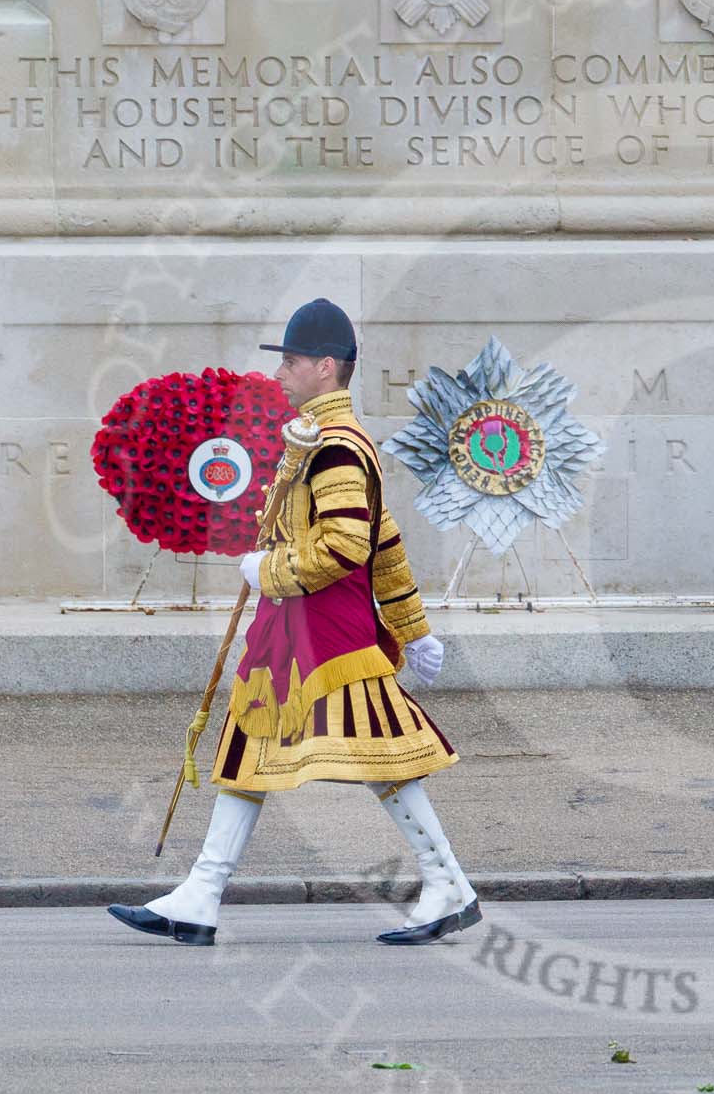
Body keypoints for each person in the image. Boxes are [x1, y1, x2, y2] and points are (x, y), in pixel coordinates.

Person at [109, 298, 478, 948]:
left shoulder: (335, 446)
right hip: (297, 630)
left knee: (381, 757)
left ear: (326, 367)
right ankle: (201, 892)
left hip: (329, 634)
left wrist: (269, 571)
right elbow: (384, 540)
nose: (281, 372)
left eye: (293, 360)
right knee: (250, 748)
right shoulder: (317, 437)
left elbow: (349, 546)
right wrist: (412, 626)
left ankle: (447, 882)